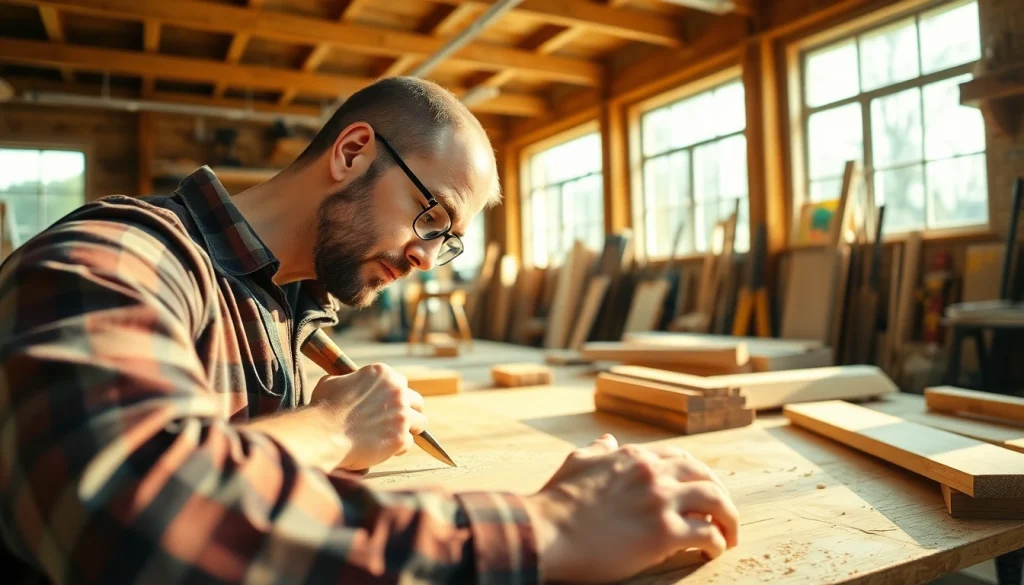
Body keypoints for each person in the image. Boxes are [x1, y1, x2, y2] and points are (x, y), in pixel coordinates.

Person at [0, 77, 739, 585]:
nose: (426, 256)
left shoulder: (285, 311)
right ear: (352, 152)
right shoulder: (122, 253)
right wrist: (549, 526)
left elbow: (208, 463)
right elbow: (132, 514)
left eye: (448, 242)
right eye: (433, 216)